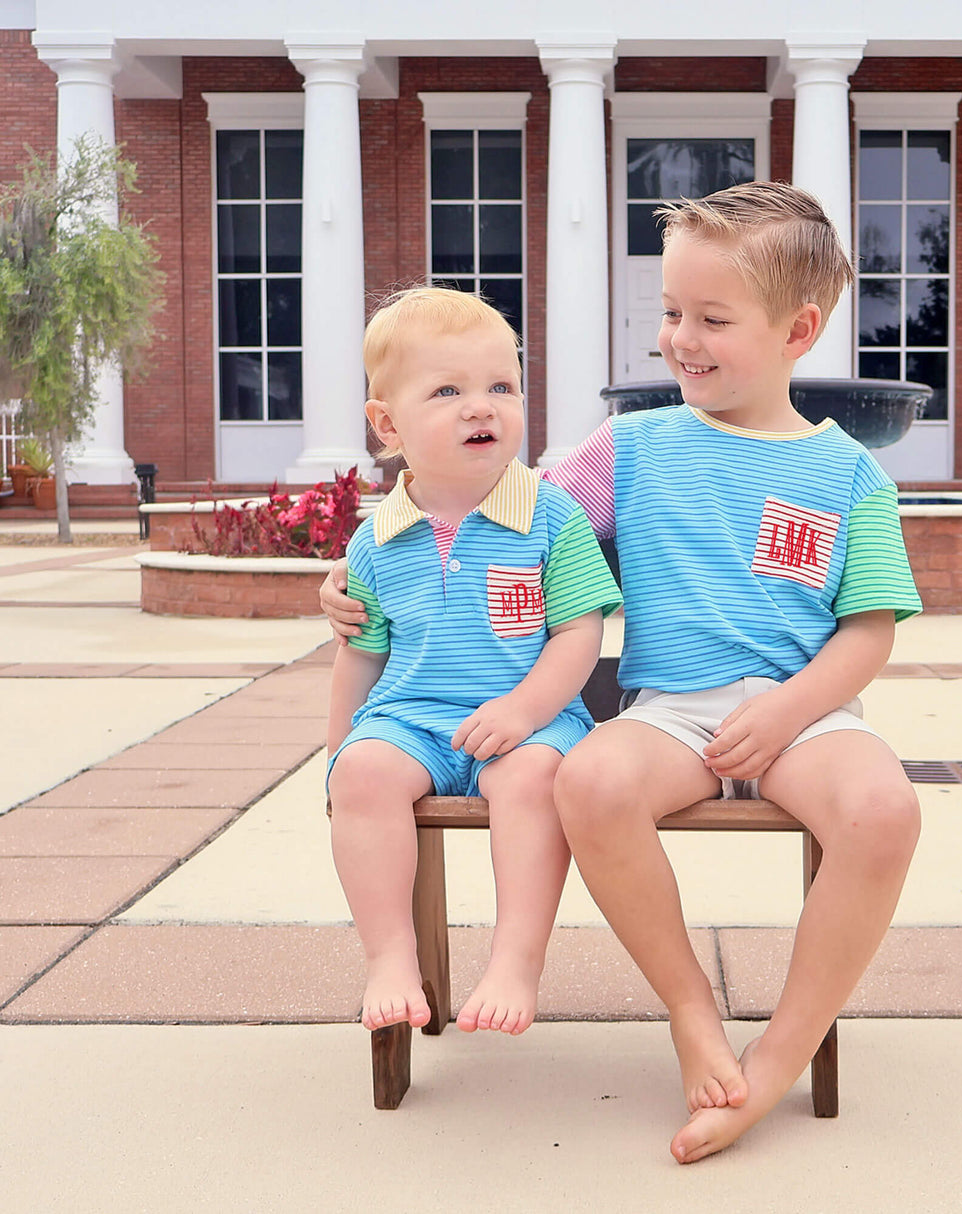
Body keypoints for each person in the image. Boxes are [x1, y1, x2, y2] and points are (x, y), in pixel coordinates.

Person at [321, 182, 922, 1162]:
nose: (680, 338)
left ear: (797, 330)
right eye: (672, 312)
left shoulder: (849, 472)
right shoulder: (630, 448)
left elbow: (867, 632)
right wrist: (358, 574)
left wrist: (787, 712)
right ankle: (690, 1010)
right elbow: (498, 517)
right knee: (590, 779)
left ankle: (778, 1052)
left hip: (805, 716)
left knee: (884, 810)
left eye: (711, 318)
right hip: (671, 712)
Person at [326, 286, 620, 1040]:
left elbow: (578, 634)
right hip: (411, 722)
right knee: (363, 774)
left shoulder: (551, 516)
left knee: (534, 780)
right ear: (388, 425)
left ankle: (515, 961)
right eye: (447, 391)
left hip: (534, 721)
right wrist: (339, 756)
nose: (481, 407)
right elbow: (360, 656)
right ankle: (390, 958)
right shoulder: (375, 540)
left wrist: (525, 710)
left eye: (502, 387)